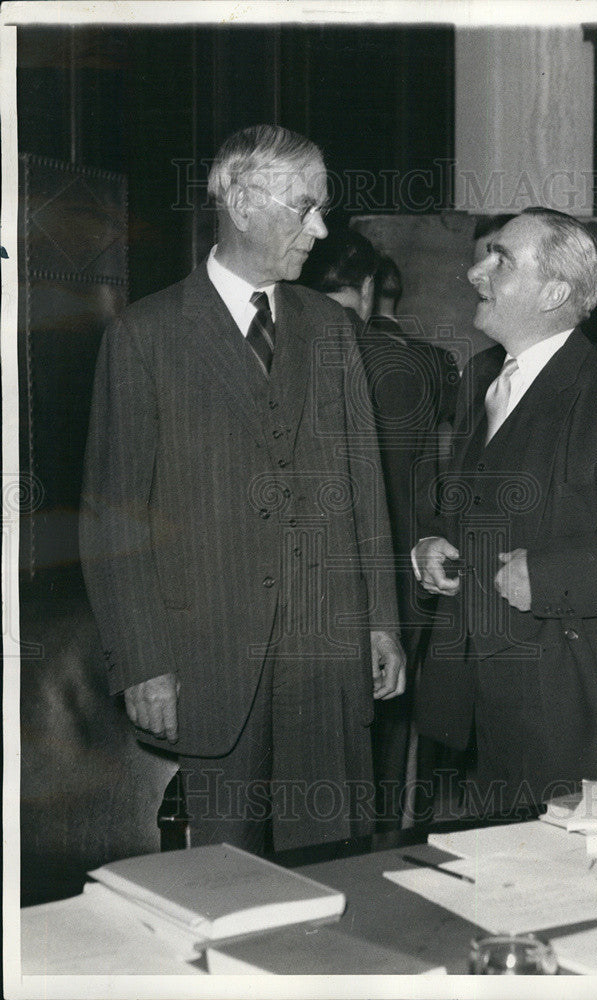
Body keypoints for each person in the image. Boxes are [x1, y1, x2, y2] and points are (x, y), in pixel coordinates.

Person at [79, 125, 405, 854]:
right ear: (245, 202)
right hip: (209, 665)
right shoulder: (146, 335)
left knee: (337, 870)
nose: (320, 230)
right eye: (306, 207)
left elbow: (364, 484)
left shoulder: (331, 329)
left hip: (328, 662)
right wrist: (143, 662)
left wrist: (381, 619)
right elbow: (112, 518)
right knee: (227, 884)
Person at [412, 208, 597, 815]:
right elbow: (473, 500)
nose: (474, 272)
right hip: (489, 704)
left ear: (556, 292)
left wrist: (544, 575)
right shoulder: (482, 380)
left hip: (584, 703)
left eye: (500, 260)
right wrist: (435, 543)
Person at [301, 227, 446, 827]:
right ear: (367, 288)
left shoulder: (281, 352)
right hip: (390, 587)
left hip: (302, 590)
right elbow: (420, 486)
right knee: (382, 759)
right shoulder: (406, 363)